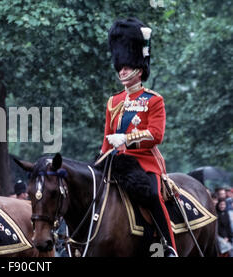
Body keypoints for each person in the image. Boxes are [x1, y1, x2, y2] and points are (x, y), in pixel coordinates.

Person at [100, 17, 177, 256]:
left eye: (127, 66)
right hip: (116, 161)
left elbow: (156, 135)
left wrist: (126, 140)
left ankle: (169, 245)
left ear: (139, 68)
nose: (122, 70)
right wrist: (101, 159)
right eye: (120, 67)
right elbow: (106, 138)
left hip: (144, 162)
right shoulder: (113, 101)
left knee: (153, 195)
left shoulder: (154, 100)